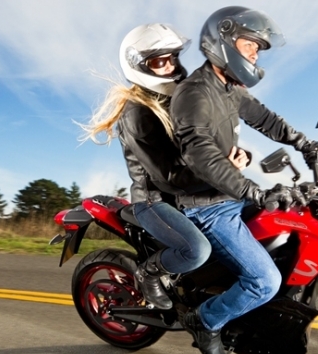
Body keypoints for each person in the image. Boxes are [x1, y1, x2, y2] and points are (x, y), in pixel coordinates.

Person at [170, 6, 318, 354]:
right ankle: (205, 321)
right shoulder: (193, 94)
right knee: (264, 280)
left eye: (258, 48)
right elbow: (201, 155)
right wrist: (255, 192)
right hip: (208, 205)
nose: (255, 53)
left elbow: (264, 118)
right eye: (250, 44)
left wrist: (302, 142)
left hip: (230, 195)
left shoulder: (229, 89)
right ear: (223, 41)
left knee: (291, 226)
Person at [82, 23, 247, 309]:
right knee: (196, 250)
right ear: (139, 65)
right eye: (160, 61)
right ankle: (149, 273)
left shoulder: (175, 99)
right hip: (155, 200)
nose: (171, 66)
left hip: (185, 195)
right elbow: (169, 176)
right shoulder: (137, 114)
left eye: (173, 57)